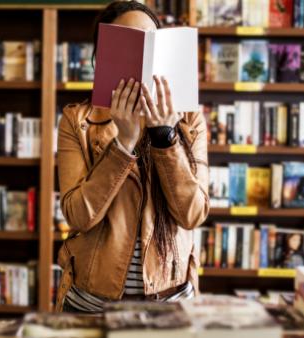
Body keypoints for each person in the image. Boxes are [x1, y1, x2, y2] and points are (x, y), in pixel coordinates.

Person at [55, 0, 209, 313]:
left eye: (150, 42)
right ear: (104, 57)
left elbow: (193, 213)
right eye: (129, 43)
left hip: (170, 304)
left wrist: (165, 137)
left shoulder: (189, 121)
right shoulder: (78, 121)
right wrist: (122, 143)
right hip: (92, 306)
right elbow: (78, 216)